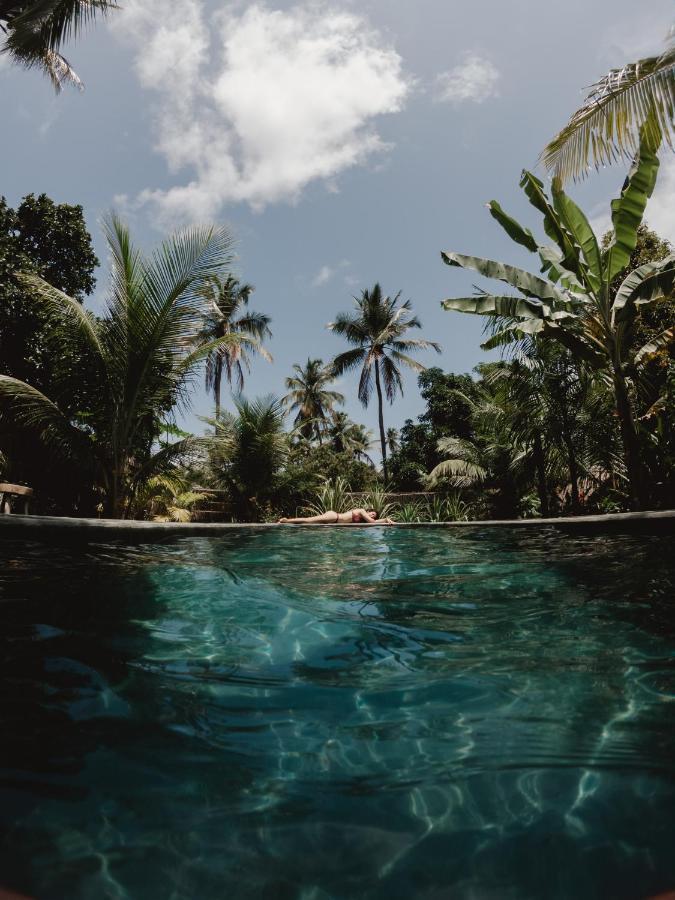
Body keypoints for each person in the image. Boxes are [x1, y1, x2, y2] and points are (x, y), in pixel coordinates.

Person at [278, 508, 394, 525]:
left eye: (374, 516)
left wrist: (385, 519)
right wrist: (386, 519)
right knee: (309, 520)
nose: (372, 516)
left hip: (334, 520)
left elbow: (372, 522)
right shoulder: (362, 510)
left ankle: (287, 521)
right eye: (372, 513)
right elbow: (372, 523)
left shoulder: (364, 519)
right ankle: (286, 520)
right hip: (334, 517)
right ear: (369, 511)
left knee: (309, 523)